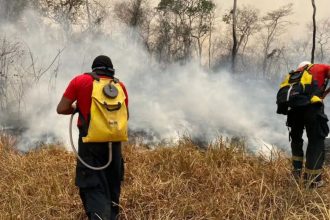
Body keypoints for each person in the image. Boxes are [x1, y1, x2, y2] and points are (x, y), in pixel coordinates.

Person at [57, 55, 128, 219]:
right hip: (114, 145)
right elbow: (125, 116)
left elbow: (61, 108)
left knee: (93, 186)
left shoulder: (80, 81)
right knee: (112, 186)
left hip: (90, 144)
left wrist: (76, 108)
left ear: (93, 69)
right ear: (111, 70)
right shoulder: (120, 86)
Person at [287, 61, 330, 188]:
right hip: (311, 108)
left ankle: (297, 172)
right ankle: (313, 181)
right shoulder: (321, 67)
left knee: (296, 139)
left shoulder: (297, 73)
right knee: (315, 141)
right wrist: (326, 92)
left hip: (294, 110)